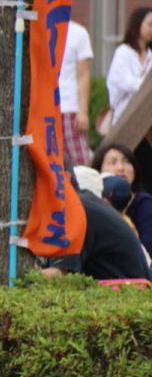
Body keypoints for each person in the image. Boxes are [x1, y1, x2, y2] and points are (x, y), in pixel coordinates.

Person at [41, 178, 150, 282]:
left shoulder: (70, 210)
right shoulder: (80, 201)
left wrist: (25, 277)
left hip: (130, 294)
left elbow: (60, 274)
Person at [90, 142, 152, 258]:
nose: (121, 168)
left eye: (127, 161)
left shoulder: (145, 204)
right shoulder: (93, 206)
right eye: (112, 162)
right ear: (98, 171)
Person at [106, 7, 152, 122]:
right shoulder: (123, 51)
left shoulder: (150, 55)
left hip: (146, 117)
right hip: (123, 116)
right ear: (137, 24)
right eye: (150, 24)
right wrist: (147, 87)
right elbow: (122, 81)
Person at [60, 20, 95, 167]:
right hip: (44, 109)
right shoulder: (38, 27)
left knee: (80, 165)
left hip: (70, 108)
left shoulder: (78, 32)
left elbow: (84, 74)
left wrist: (83, 111)